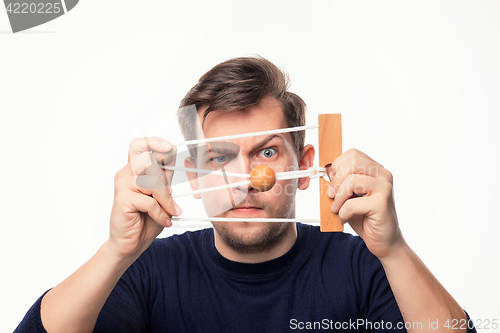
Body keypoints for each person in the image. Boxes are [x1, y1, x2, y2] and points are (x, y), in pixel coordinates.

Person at [15, 56, 475, 333]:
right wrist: (114, 252)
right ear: (192, 175)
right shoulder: (149, 269)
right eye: (218, 158)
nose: (243, 179)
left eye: (268, 151)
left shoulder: (361, 265)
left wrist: (394, 251)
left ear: (303, 165)